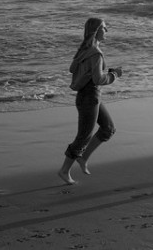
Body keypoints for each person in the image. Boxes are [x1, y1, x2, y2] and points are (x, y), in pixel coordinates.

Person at [58, 18, 122, 185]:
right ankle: (64, 171)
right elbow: (99, 79)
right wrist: (114, 75)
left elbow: (72, 68)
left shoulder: (85, 50)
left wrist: (89, 70)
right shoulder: (95, 53)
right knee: (83, 136)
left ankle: (83, 158)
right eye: (105, 28)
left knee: (108, 128)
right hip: (89, 98)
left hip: (91, 97)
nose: (107, 31)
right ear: (97, 31)